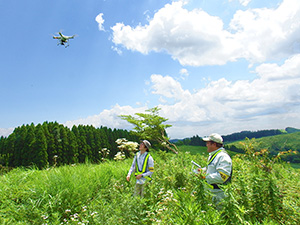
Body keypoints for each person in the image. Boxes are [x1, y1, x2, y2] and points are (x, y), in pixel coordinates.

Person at [197, 133, 232, 209]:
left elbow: (222, 176)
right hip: (212, 192)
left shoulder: (223, 157)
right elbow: (212, 168)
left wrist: (204, 176)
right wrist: (202, 170)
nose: (206, 145)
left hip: (220, 194)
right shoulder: (214, 155)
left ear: (214, 144)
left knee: (220, 217)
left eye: (208, 143)